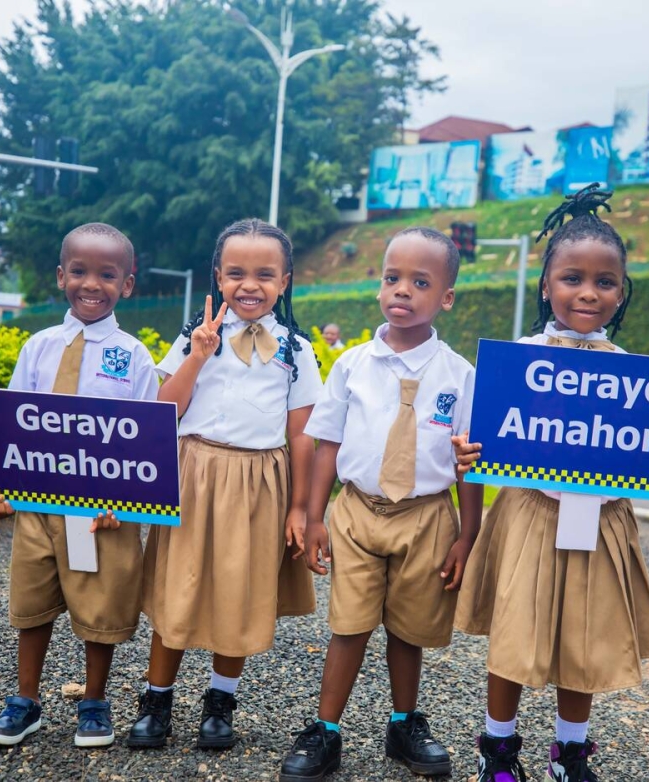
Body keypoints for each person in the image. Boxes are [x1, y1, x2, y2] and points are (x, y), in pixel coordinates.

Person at [451, 184, 649, 782]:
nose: (588, 292)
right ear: (546, 285)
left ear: (622, 291)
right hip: (531, 513)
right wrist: (470, 453)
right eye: (572, 278)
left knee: (584, 638)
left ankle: (570, 753)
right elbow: (479, 440)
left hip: (604, 520)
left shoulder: (639, 373)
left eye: (605, 282)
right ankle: (496, 749)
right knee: (516, 635)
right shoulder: (516, 362)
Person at [279, 227, 483, 781]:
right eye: (393, 278)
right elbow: (329, 446)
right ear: (379, 286)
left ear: (446, 298)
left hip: (427, 517)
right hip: (358, 512)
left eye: (420, 282)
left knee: (409, 627)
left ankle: (403, 722)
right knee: (348, 625)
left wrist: (468, 534)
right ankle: (326, 730)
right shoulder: (351, 365)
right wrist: (316, 516)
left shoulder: (461, 375)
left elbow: (470, 462)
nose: (402, 291)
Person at [126, 218, 321, 751]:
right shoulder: (196, 336)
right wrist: (197, 354)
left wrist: (300, 508)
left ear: (285, 281)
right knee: (177, 588)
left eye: (265, 274)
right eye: (236, 272)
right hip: (195, 473)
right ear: (217, 276)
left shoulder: (296, 349)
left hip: (260, 480)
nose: (249, 284)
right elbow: (164, 410)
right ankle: (156, 699)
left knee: (239, 591)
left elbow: (302, 434)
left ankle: (220, 702)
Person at [0, 223, 158, 748]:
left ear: (127, 285)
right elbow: (12, 424)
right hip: (39, 509)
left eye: (107, 274)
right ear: (61, 276)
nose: (91, 284)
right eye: (79, 271)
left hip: (100, 512)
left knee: (101, 604)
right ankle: (25, 702)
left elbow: (140, 439)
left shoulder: (135, 356)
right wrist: (0, 489)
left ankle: (95, 702)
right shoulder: (38, 347)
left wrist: (127, 503)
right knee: (32, 602)